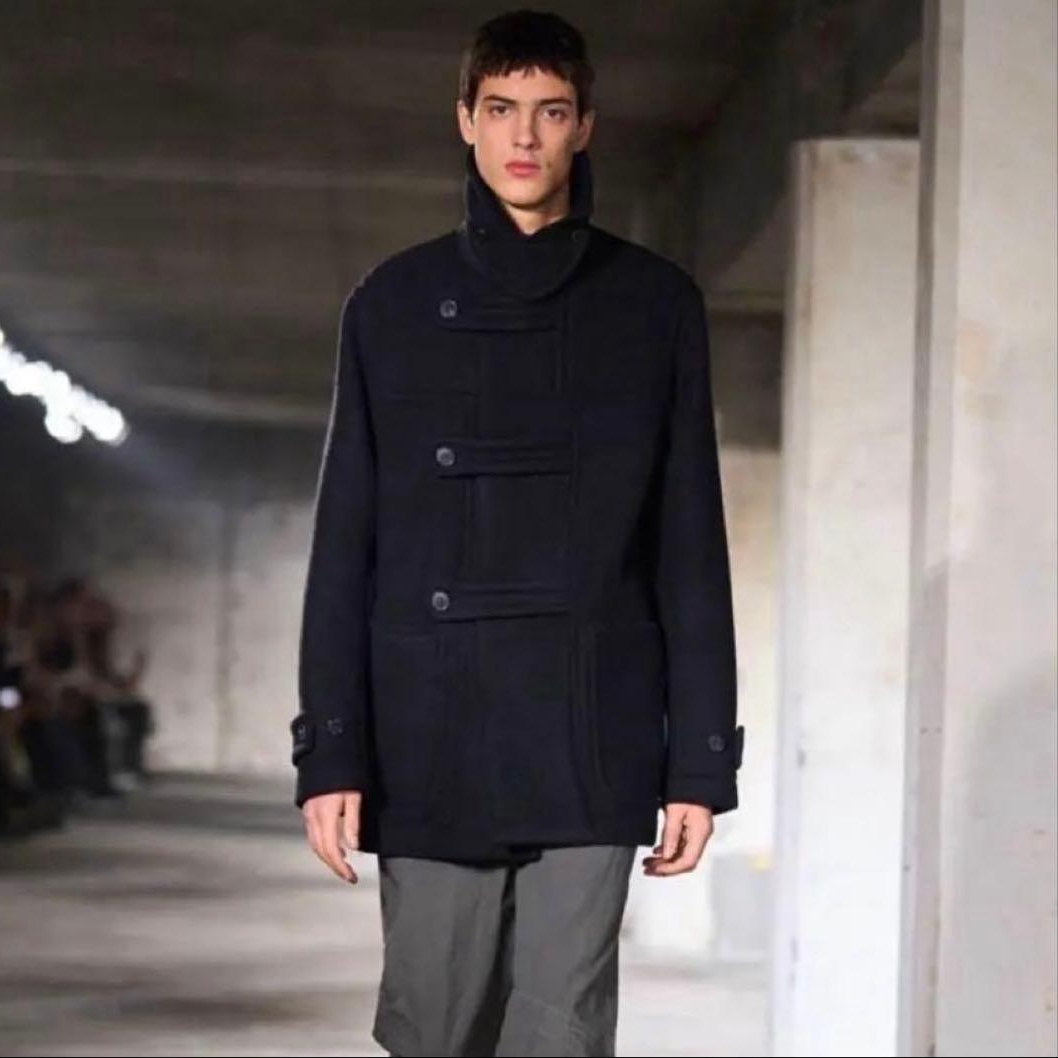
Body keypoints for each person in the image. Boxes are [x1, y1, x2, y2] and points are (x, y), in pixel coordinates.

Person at [290, 9, 745, 1056]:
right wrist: (332, 750)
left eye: (550, 111)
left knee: (560, 1032)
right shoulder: (392, 304)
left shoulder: (655, 306)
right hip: (429, 727)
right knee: (435, 1027)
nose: (525, 136)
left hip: (590, 726)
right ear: (466, 120)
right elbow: (345, 544)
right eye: (501, 109)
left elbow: (689, 546)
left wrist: (698, 761)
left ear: (585, 125)